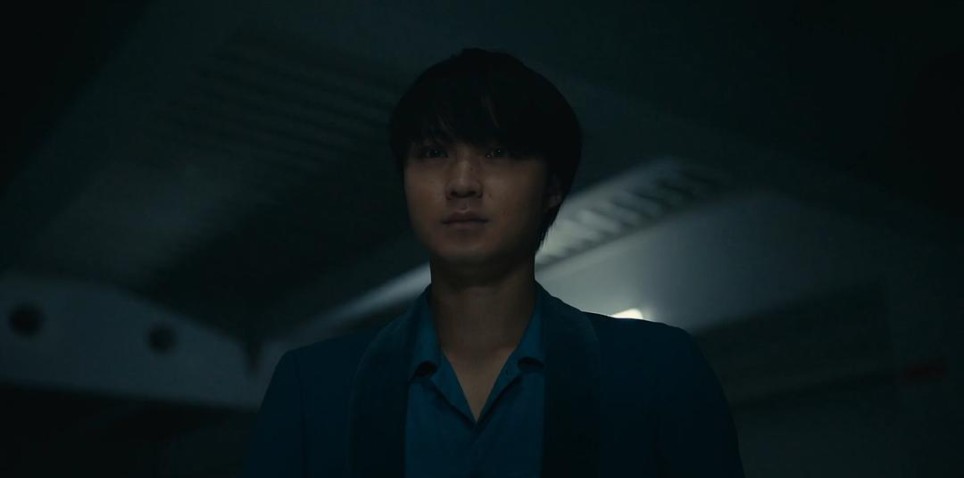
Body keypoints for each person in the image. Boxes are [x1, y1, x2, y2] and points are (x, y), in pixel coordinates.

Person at [242, 48, 744, 478]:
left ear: (552, 187)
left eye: (498, 151)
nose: (462, 182)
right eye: (433, 152)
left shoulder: (657, 371)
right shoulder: (314, 388)